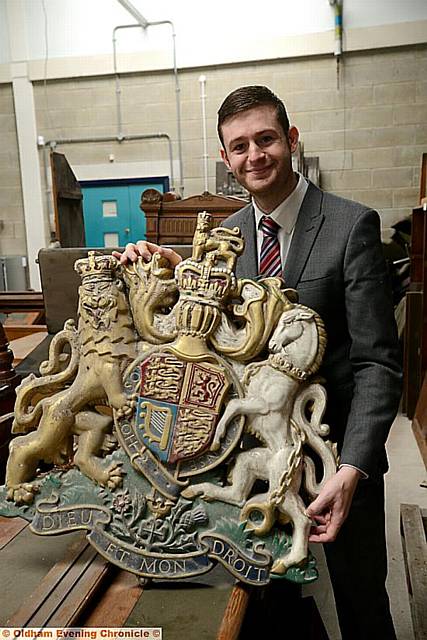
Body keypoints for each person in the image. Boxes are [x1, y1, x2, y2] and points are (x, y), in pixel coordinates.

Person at [116, 85, 402, 639]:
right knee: (274, 599)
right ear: (226, 159)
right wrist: (160, 267)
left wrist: (353, 469)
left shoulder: (350, 226)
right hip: (260, 454)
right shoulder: (226, 239)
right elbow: (214, 326)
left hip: (337, 452)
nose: (255, 156)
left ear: (291, 139)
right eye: (239, 146)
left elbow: (377, 363)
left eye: (266, 139)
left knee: (361, 596)